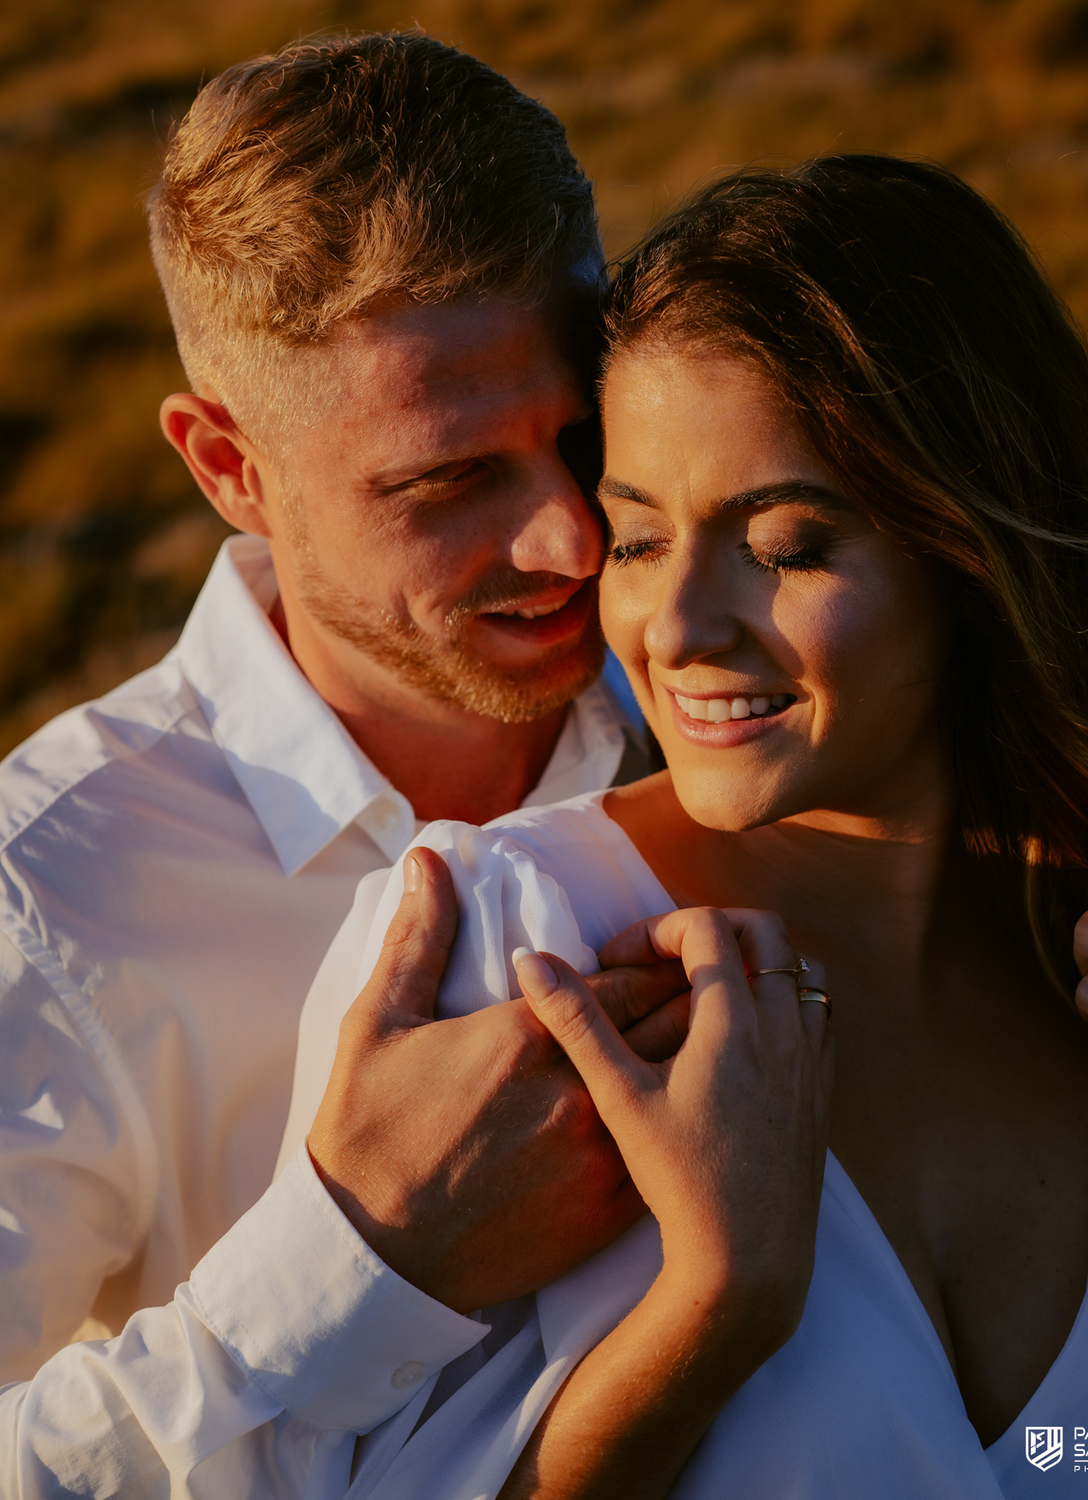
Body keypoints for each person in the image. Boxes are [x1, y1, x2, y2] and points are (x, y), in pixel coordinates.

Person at [274, 156, 1088, 1498]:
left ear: (972, 552)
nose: (682, 629)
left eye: (785, 546)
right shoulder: (516, 950)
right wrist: (713, 1308)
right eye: (639, 540)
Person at [0, 23, 677, 1421]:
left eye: (587, 436)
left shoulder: (741, 727)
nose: (568, 538)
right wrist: (362, 1262)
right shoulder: (47, 902)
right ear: (231, 466)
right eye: (448, 483)